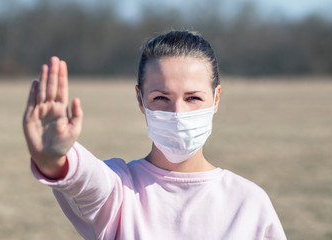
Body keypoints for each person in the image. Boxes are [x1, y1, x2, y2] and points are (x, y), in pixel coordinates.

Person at [23, 30, 287, 240]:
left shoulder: (249, 203)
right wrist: (55, 158)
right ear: (140, 100)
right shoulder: (120, 191)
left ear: (216, 99)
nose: (177, 112)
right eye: (161, 98)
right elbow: (87, 180)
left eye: (193, 97)